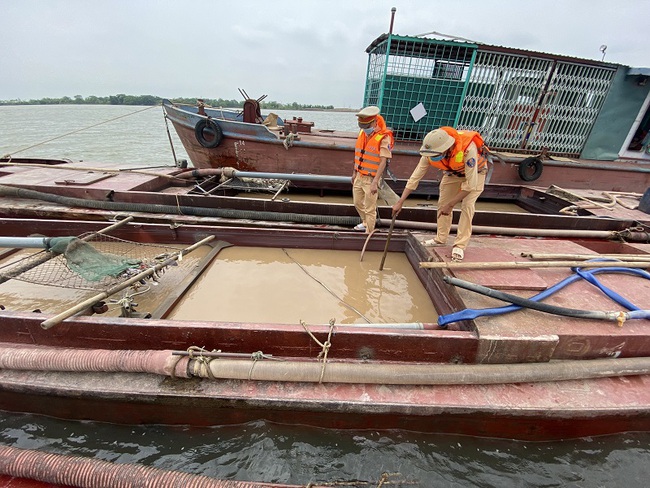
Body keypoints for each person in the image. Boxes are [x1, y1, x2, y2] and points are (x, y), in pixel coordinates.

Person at [392, 126, 488, 262]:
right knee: (442, 203)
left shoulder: (468, 149)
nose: (433, 158)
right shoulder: (429, 152)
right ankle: (441, 238)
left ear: (447, 148)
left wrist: (451, 205)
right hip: (452, 174)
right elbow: (415, 177)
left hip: (476, 174)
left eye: (437, 155)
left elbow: (470, 185)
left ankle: (460, 245)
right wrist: (400, 201)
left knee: (467, 205)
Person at [352, 106, 393, 233]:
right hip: (359, 175)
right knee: (357, 202)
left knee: (370, 208)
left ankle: (369, 233)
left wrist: (375, 181)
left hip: (371, 178)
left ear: (374, 122)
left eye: (366, 126)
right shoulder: (363, 132)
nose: (364, 129)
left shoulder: (384, 137)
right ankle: (365, 222)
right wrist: (354, 172)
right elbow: (359, 154)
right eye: (362, 126)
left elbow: (383, 161)